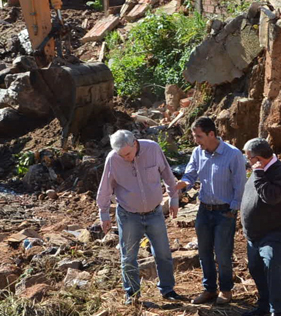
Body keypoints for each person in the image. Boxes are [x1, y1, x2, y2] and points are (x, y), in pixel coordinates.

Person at [96, 130, 182, 304]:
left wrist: (174, 198)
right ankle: (133, 296)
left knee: (163, 253)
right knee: (128, 257)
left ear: (135, 143)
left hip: (155, 213)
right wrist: (104, 214)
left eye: (127, 153)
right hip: (129, 215)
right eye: (122, 155)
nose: (126, 158)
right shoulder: (113, 159)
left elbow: (167, 174)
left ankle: (168, 290)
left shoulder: (153, 149)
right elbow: (105, 187)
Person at [175, 117, 246, 305]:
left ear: (211, 134)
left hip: (225, 212)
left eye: (199, 136)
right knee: (204, 252)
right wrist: (181, 185)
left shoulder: (233, 154)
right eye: (195, 136)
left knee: (223, 253)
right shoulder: (198, 153)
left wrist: (233, 210)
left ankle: (226, 290)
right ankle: (209, 290)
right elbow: (190, 175)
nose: (196, 141)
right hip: (204, 209)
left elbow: (240, 185)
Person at [240, 138, 281, 316]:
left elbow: (271, 197)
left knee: (272, 264)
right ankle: (264, 304)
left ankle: (278, 311)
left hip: (274, 231)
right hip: (254, 234)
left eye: (249, 158)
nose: (248, 162)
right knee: (255, 268)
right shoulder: (258, 171)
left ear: (258, 158)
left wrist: (259, 173)